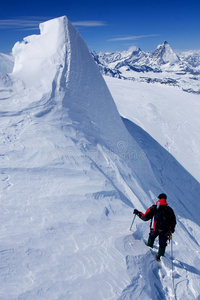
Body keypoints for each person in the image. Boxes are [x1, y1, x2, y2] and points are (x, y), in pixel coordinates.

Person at [134, 193, 176, 261]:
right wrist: (172, 229)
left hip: (154, 229)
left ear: (159, 199)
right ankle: (160, 258)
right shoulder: (170, 210)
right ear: (165, 199)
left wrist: (138, 213)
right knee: (162, 243)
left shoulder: (154, 208)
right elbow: (173, 221)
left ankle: (148, 253)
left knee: (151, 238)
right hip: (165, 231)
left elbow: (145, 217)